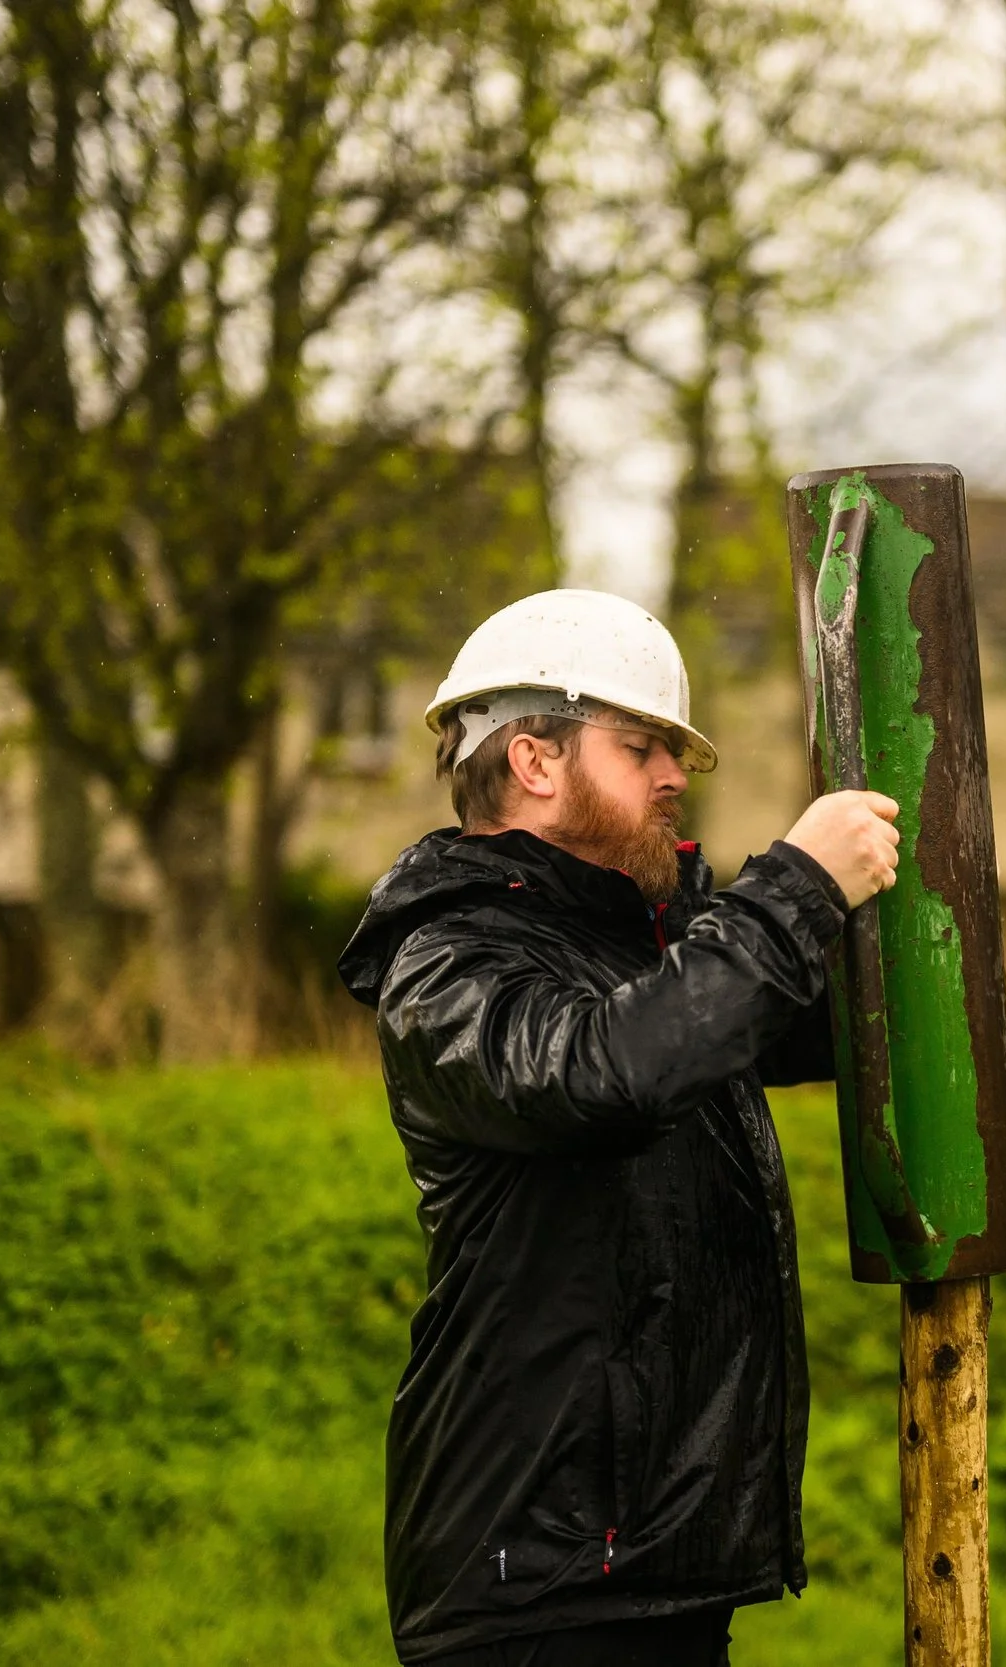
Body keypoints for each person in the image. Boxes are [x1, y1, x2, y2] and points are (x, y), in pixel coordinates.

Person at [339, 589, 900, 1667]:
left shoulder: (653, 954)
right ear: (535, 760)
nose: (673, 775)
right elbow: (607, 1070)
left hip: (653, 1570)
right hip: (535, 1585)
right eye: (640, 744)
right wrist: (793, 887)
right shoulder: (449, 959)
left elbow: (786, 1020)